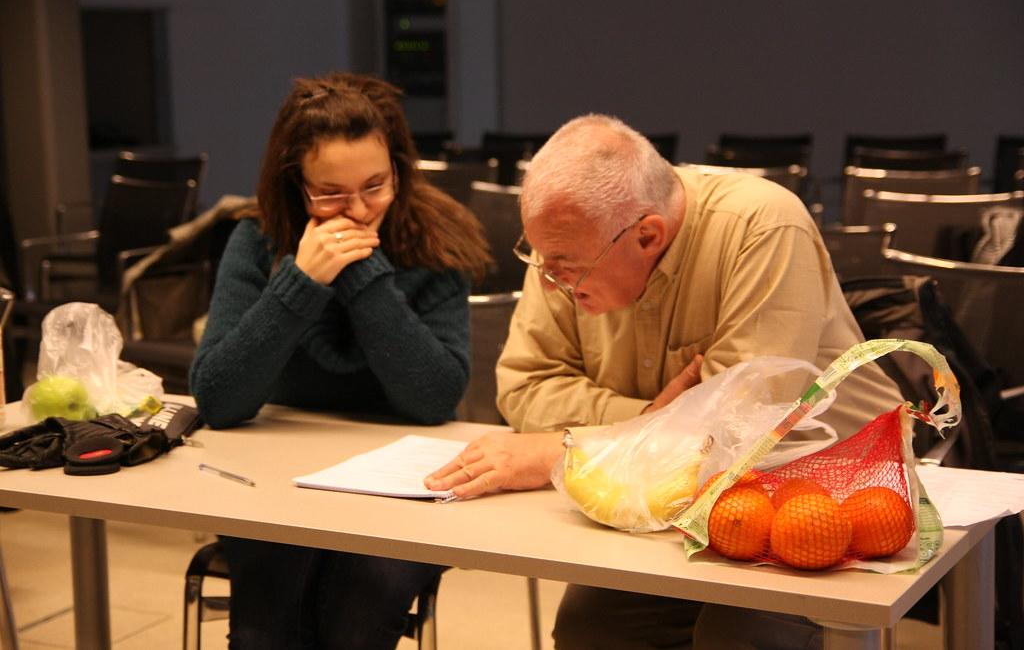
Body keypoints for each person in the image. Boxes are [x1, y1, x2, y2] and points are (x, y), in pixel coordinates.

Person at [426, 114, 903, 649]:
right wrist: (654, 419)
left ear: (648, 235)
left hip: (820, 489)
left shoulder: (762, 226)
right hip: (666, 504)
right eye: (538, 257)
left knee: (735, 638)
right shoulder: (570, 246)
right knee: (592, 633)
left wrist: (566, 448)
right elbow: (523, 387)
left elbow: (742, 436)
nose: (547, 279)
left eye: (563, 266)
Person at [190, 72, 491, 649]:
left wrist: (361, 275)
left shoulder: (438, 241)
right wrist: (301, 282)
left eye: (375, 186)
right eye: (330, 193)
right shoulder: (257, 240)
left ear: (399, 169)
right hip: (274, 483)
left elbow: (433, 400)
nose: (356, 212)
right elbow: (219, 399)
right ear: (295, 186)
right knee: (268, 624)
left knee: (359, 607)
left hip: (398, 493)